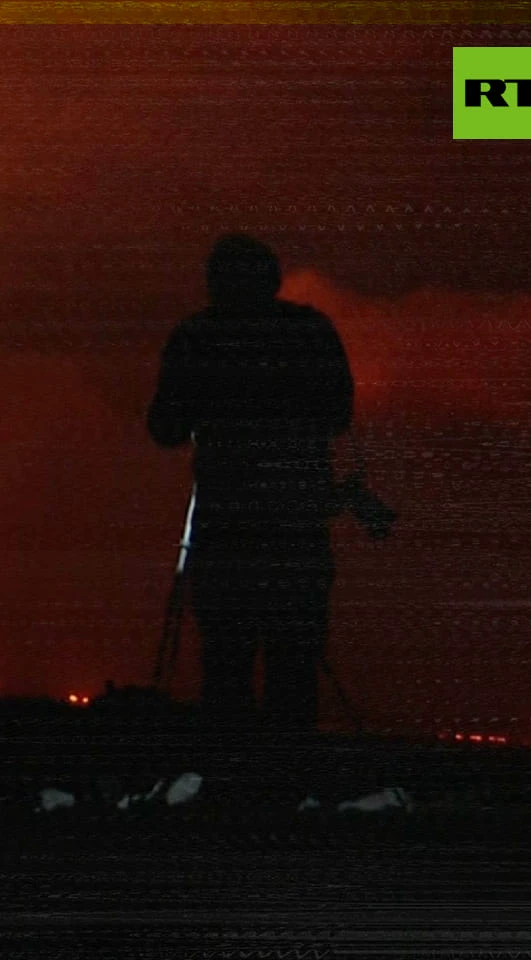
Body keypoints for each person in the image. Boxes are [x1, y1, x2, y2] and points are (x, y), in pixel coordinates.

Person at [147, 235, 354, 732]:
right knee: (294, 667)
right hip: (296, 525)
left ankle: (230, 783)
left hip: (227, 526)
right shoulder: (310, 333)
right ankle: (286, 783)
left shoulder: (197, 337)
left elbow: (164, 429)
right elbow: (339, 414)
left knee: (226, 665)